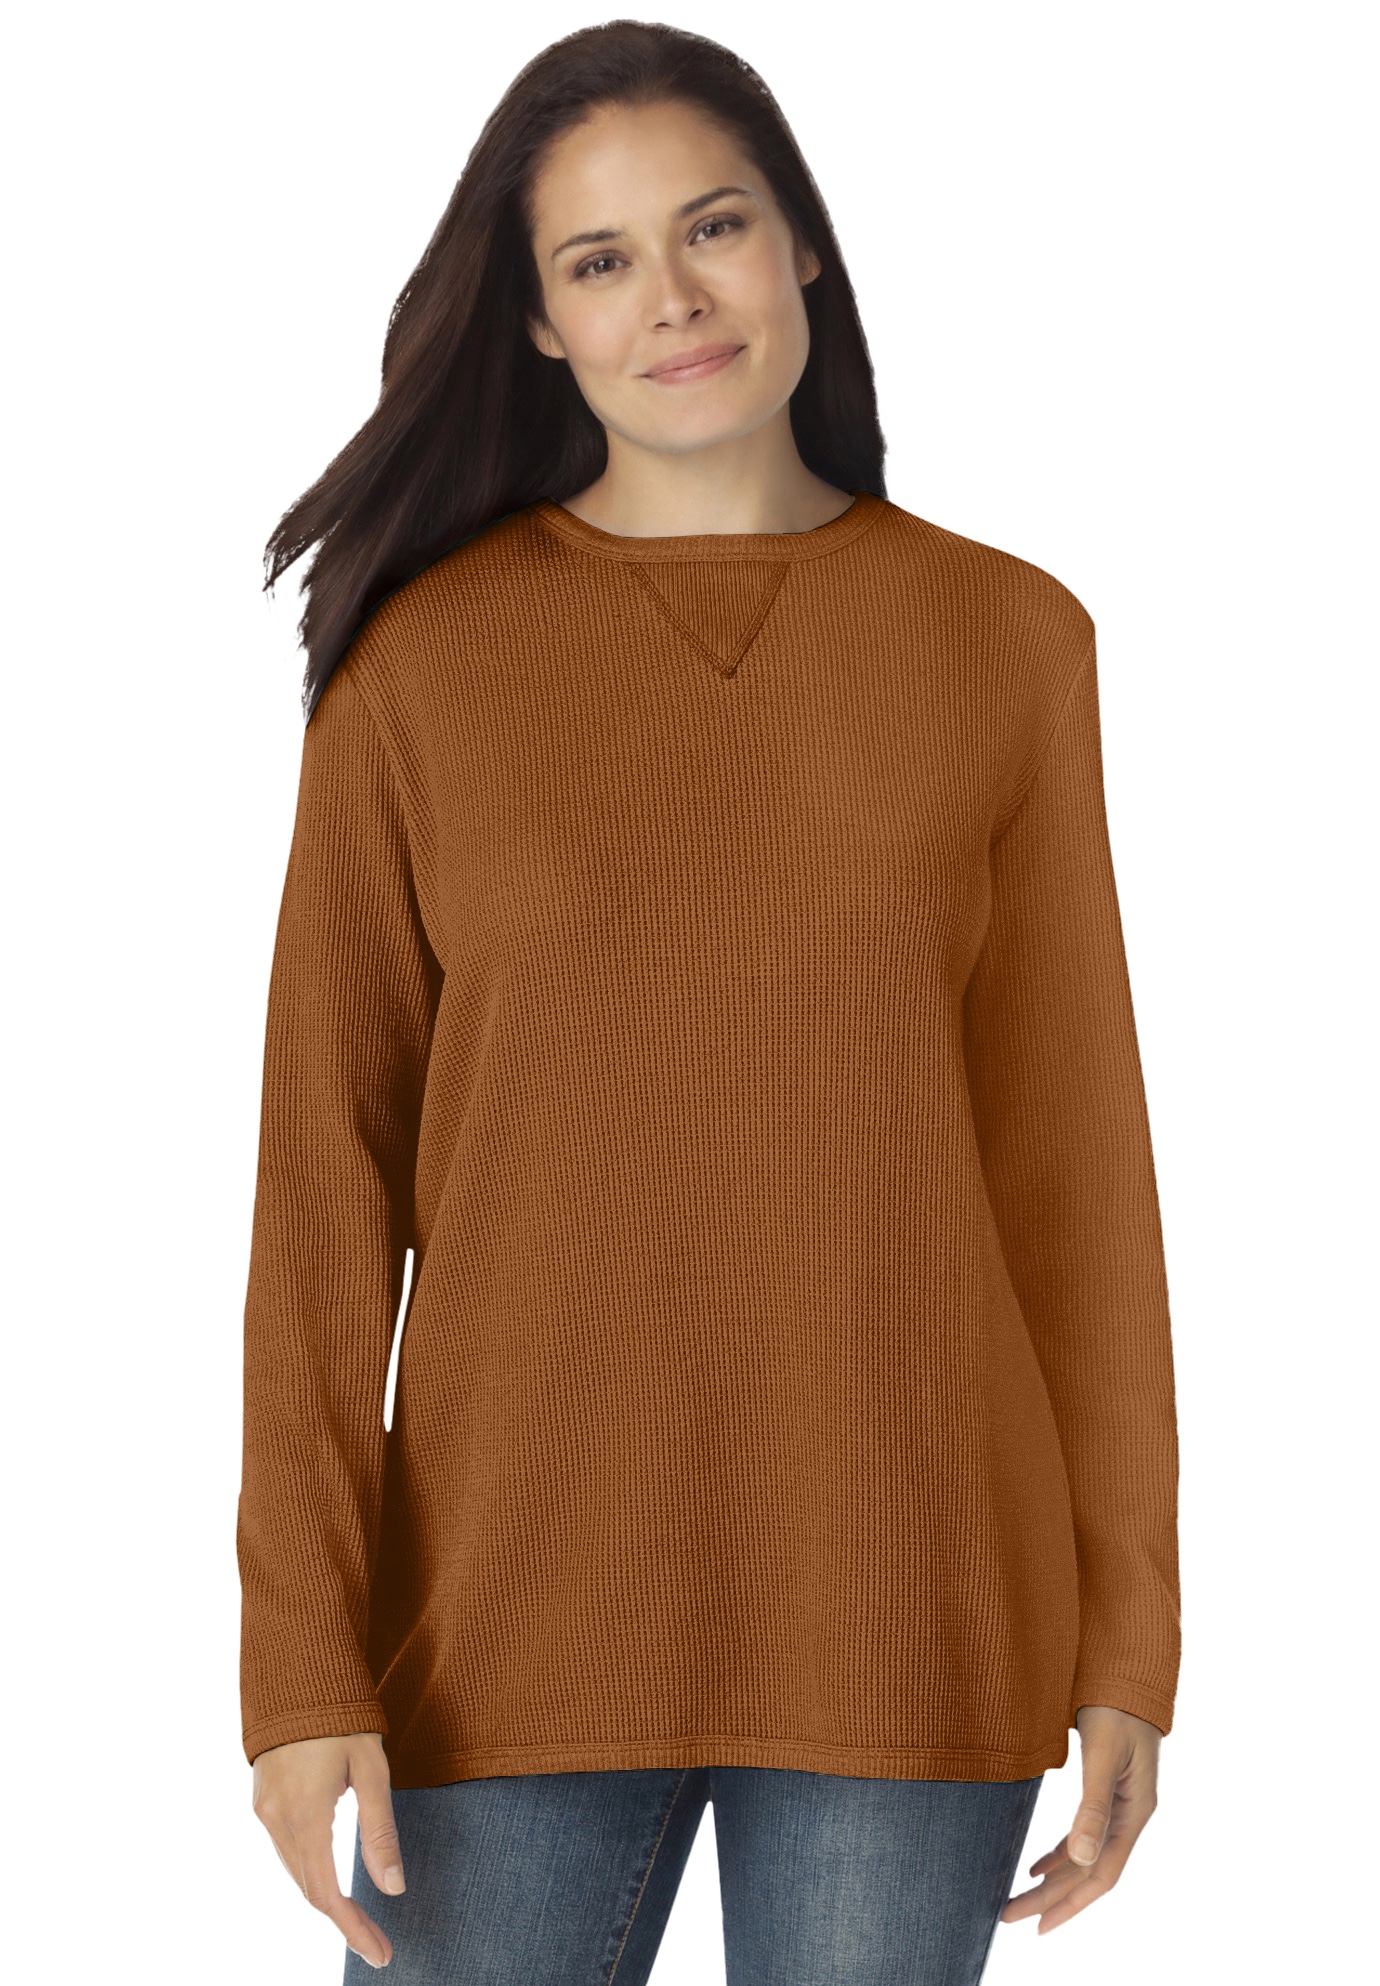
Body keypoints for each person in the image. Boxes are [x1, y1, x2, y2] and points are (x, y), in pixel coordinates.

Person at [237, 21, 1180, 1982]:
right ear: (539, 326)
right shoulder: (419, 672)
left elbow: (1074, 1174)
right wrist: (298, 1661)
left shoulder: (1007, 642)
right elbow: (323, 1197)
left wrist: (1129, 1638)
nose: (670, 296)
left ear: (801, 244)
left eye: (714, 227)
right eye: (600, 260)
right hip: (502, 1620)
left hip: (906, 1594)